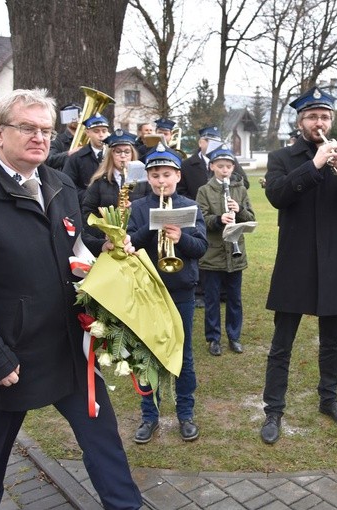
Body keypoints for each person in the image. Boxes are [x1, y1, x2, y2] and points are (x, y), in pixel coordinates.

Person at [0, 88, 143, 510]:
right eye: (27, 127)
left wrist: (104, 250)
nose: (39, 137)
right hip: (13, 354)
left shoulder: (59, 184)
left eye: (45, 130)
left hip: (68, 346)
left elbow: (72, 247)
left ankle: (126, 505)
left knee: (101, 434)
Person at [259, 86, 337, 444]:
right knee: (282, 344)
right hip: (296, 262)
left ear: (331, 120)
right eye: (312, 117)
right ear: (300, 122)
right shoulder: (282, 157)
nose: (319, 122)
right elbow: (278, 196)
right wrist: (315, 164)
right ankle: (273, 410)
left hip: (335, 261)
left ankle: (329, 399)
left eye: (324, 117)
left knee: (332, 343)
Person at [127, 143, 208, 443]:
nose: (162, 181)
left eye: (167, 175)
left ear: (177, 175)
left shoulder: (190, 206)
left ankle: (185, 413)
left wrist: (181, 236)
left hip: (181, 290)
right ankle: (150, 416)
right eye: (155, 175)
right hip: (148, 291)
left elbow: (200, 248)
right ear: (148, 178)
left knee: (183, 356)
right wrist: (153, 226)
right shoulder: (138, 207)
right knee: (148, 355)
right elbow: (131, 245)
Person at [196, 144, 256, 356]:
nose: (225, 170)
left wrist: (239, 211)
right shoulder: (204, 191)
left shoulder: (240, 189)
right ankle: (213, 338)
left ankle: (234, 336)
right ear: (212, 166)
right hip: (213, 253)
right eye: (220, 166)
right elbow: (200, 219)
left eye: (229, 166)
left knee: (235, 298)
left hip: (235, 253)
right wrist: (219, 219)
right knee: (212, 299)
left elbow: (251, 217)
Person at [81, 129, 151, 251]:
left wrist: (134, 207)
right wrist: (104, 233)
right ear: (111, 155)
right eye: (118, 152)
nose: (123, 156)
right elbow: (88, 213)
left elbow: (150, 207)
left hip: (137, 241)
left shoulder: (144, 180)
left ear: (132, 154)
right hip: (109, 242)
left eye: (127, 152)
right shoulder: (99, 181)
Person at [62, 113, 110, 204]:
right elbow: (67, 183)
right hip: (85, 207)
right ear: (88, 133)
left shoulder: (113, 155)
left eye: (104, 131)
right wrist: (88, 196)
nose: (101, 135)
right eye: (96, 131)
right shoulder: (77, 157)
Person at [45, 102, 81, 170]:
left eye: (78, 115)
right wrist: (69, 154)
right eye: (70, 116)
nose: (75, 119)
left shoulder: (89, 139)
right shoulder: (56, 140)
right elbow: (49, 160)